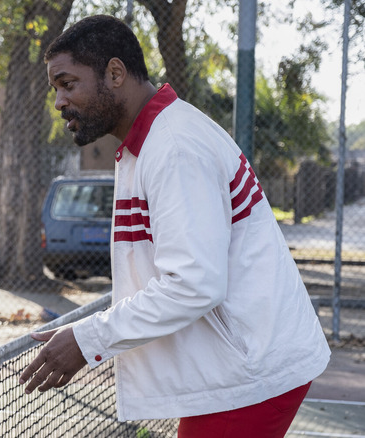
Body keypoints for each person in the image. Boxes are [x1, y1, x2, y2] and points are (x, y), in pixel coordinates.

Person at [19, 15, 330, 437]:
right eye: (56, 88)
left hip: (251, 373)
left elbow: (193, 284)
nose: (58, 101)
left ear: (114, 73)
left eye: (68, 84)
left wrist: (88, 340)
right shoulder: (149, 143)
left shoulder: (174, 146)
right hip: (234, 368)